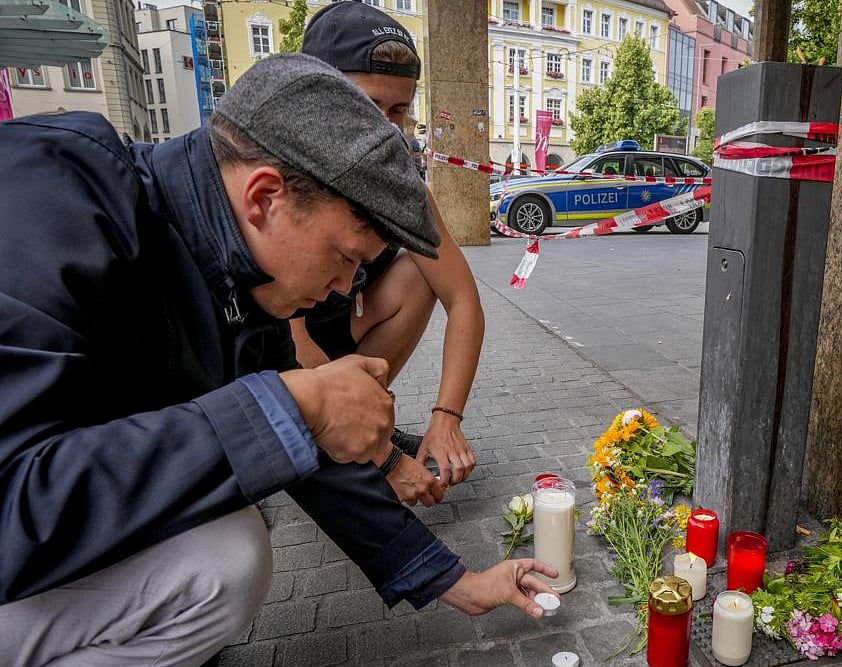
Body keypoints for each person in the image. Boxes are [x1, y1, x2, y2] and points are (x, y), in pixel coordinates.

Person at [0, 54, 557, 666]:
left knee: (227, 537)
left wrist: (454, 581)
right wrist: (292, 406)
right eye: (344, 257)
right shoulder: (49, 200)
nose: (345, 287)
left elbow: (315, 457)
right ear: (264, 196)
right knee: (226, 558)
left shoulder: (232, 271)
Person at [296, 1, 484, 503]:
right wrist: (382, 455)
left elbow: (463, 299)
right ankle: (323, 435)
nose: (382, 130)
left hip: (342, 326)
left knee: (422, 274)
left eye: (398, 112)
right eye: (366, 105)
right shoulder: (287, 182)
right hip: (280, 354)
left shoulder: (403, 186)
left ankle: (358, 417)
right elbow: (288, 344)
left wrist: (446, 418)